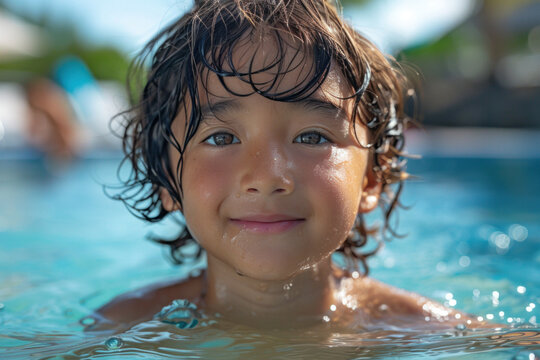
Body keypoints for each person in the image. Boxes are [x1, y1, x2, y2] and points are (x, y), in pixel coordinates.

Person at [93, 0, 488, 332]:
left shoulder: (424, 329)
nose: (266, 177)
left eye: (312, 137)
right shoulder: (126, 324)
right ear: (166, 177)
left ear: (371, 177)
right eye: (221, 138)